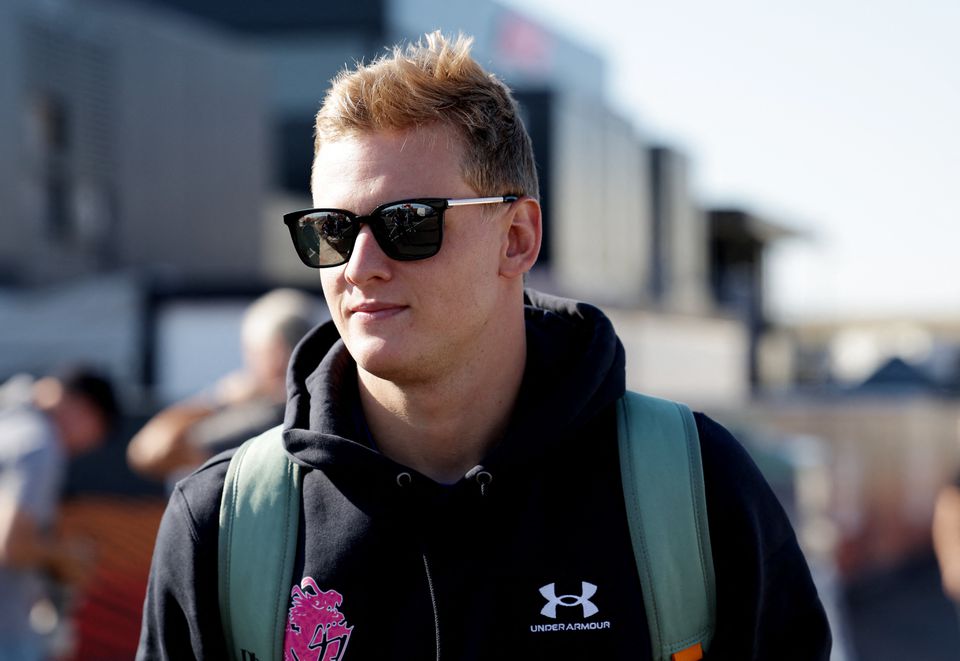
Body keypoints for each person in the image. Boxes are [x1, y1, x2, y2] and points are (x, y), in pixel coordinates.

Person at [137, 32, 831, 659]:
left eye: (408, 223)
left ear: (518, 238)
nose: (358, 265)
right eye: (331, 230)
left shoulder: (692, 488)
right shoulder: (225, 528)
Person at [126, 288, 316, 483]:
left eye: (252, 352)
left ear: (276, 352)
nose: (247, 362)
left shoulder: (265, 416)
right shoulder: (323, 405)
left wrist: (219, 398)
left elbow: (148, 452)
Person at [0, 367, 118, 660]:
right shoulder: (39, 442)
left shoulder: (10, 425)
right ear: (85, 412)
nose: (86, 446)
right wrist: (66, 556)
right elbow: (10, 545)